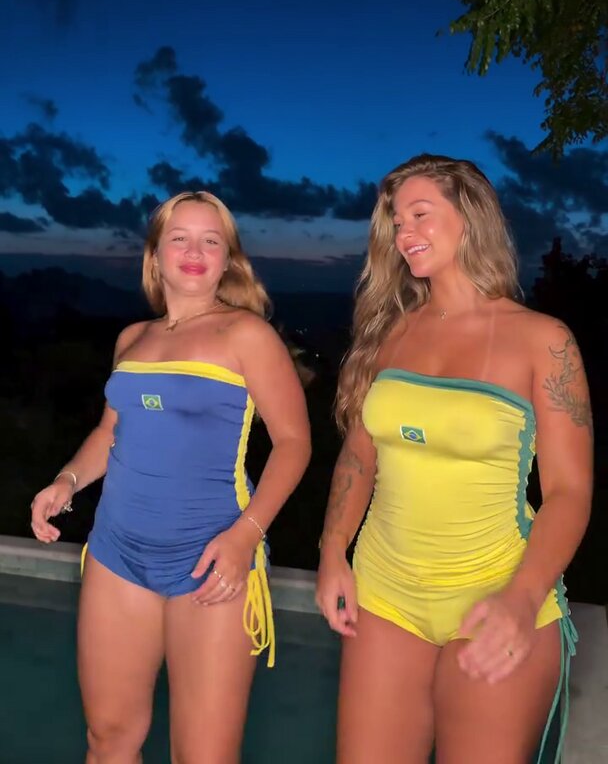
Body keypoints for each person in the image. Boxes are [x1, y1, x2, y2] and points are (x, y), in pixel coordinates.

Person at [316, 154, 592, 764]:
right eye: (396, 221)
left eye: (420, 214)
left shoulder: (543, 340)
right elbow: (359, 457)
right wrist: (332, 550)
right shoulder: (388, 334)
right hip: (385, 596)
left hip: (497, 590)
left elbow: (570, 492)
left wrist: (522, 599)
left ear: (471, 217)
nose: (404, 233)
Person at [31, 191, 311, 764]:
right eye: (179, 238)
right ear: (154, 255)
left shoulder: (247, 335)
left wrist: (245, 537)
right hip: (117, 554)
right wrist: (67, 480)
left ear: (228, 259)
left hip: (213, 557)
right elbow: (111, 431)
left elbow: (294, 443)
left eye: (211, 241)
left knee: (202, 755)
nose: (194, 252)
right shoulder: (132, 339)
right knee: (108, 740)